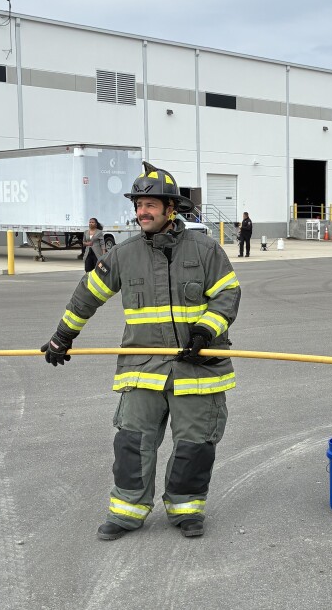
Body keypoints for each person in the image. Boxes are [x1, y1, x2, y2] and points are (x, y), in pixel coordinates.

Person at [41, 162, 241, 541]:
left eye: (149, 204)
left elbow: (228, 294)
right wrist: (62, 336)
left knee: (194, 445)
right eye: (138, 204)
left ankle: (186, 509)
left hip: (198, 366)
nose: (141, 212)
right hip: (142, 365)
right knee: (132, 442)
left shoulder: (206, 249)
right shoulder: (124, 254)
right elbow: (88, 295)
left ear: (170, 208)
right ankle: (127, 510)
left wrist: (205, 330)